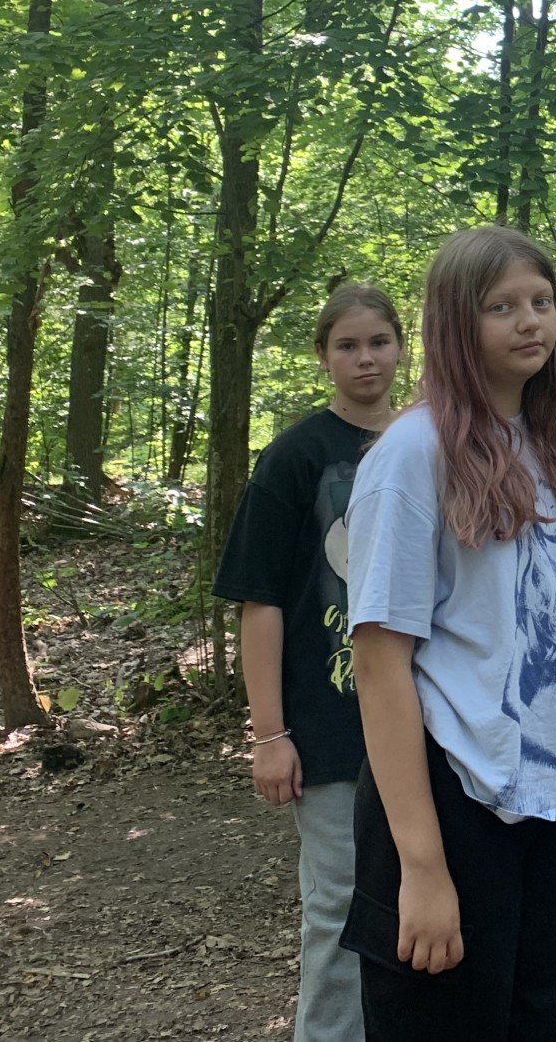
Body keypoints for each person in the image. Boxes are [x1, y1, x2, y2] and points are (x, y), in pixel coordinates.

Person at [339, 226, 556, 1042]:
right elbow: (379, 662)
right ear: (457, 320)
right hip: (455, 797)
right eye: (501, 307)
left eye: (541, 302)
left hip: (555, 802)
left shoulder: (551, 442)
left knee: (546, 1021)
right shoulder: (411, 456)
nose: (530, 321)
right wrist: (421, 867)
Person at [212, 282, 406, 1042]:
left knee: (428, 898)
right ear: (323, 356)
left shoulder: (425, 444)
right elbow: (258, 601)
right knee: (341, 906)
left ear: (402, 348)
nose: (366, 359)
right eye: (347, 346)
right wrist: (269, 734)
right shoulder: (293, 458)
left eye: (379, 342)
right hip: (329, 729)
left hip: (428, 721)